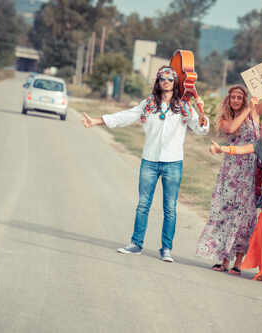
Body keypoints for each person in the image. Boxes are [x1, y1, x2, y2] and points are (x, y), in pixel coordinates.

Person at [82, 66, 210, 262]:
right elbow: (126, 116)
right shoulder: (148, 104)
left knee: (170, 207)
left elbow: (201, 130)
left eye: (169, 78)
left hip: (173, 163)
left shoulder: (184, 106)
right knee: (143, 205)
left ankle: (166, 249)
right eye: (162, 78)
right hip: (149, 160)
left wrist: (203, 118)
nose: (165, 81)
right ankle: (136, 244)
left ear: (175, 82)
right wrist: (98, 121)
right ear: (158, 82)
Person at [196, 83, 262, 275]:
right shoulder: (226, 119)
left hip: (251, 171)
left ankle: (238, 261)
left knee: (245, 216)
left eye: (239, 97)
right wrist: (248, 109)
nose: (236, 100)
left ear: (244, 98)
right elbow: (233, 128)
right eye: (233, 97)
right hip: (231, 171)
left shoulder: (255, 111)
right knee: (226, 214)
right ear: (229, 100)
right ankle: (223, 259)